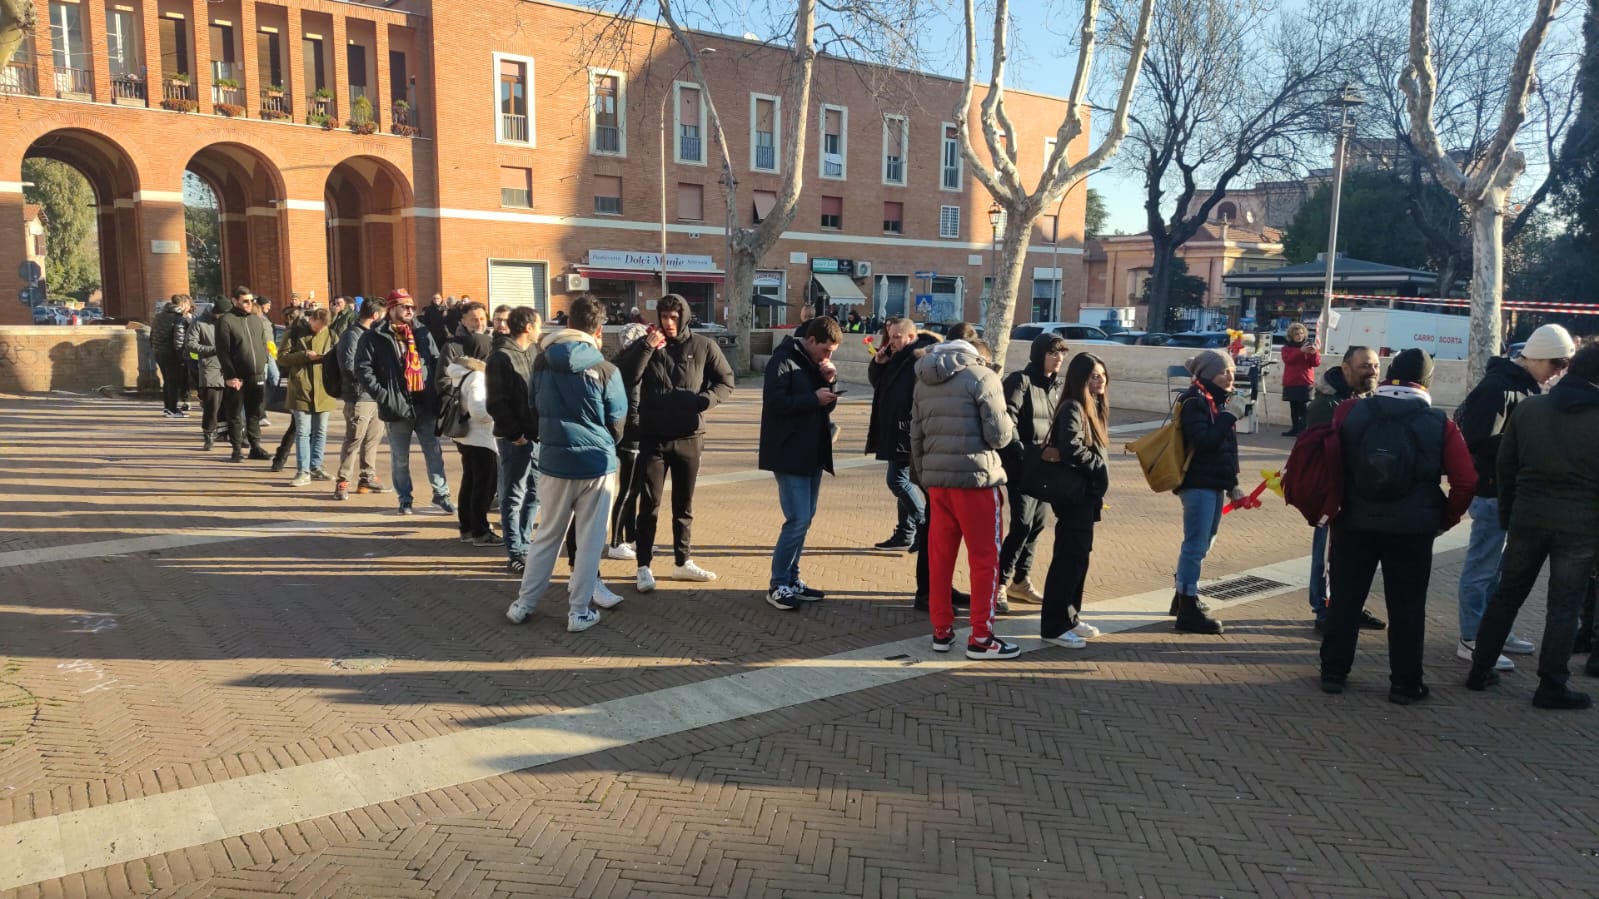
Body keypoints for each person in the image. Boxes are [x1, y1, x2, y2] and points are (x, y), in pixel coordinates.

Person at [1319, 348, 1476, 704]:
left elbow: (1329, 460)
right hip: (1412, 530)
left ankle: (1333, 672)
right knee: (1407, 607)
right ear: (1426, 381)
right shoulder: (1440, 423)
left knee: (1344, 599)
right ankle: (1406, 684)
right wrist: (1444, 520)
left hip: (1354, 523)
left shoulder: (1350, 411)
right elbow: (1466, 481)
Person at [1467, 341, 1599, 709]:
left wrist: (1510, 514)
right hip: (1580, 526)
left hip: (1527, 516)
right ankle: (1551, 684)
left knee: (1506, 595)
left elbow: (1505, 468)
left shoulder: (1530, 410)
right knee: (1563, 607)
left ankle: (1480, 669)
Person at [1454, 324, 1577, 671]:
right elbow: (1475, 436)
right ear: (1540, 358)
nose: (1558, 372)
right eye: (1556, 364)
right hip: (1495, 489)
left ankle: (1490, 631)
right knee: (1482, 568)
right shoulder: (1501, 388)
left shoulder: (1521, 387)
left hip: (1507, 490)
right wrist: (1519, 450)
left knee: (1496, 570)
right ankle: (1472, 636)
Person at [506, 294, 628, 632]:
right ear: (599, 329)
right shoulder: (606, 369)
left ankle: (523, 603)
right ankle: (579, 611)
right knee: (589, 542)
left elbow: (533, 407)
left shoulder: (542, 362)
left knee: (546, 536)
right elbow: (618, 421)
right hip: (596, 463)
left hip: (554, 461)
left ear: (568, 322)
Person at [617, 293, 735, 591]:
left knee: (684, 505)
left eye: (674, 317)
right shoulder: (647, 343)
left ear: (684, 316)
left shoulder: (703, 346)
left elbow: (726, 380)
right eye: (664, 316)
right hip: (653, 438)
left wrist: (703, 401)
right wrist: (647, 347)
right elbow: (625, 377)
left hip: (689, 438)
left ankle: (683, 562)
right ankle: (643, 565)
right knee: (650, 505)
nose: (669, 323)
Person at [911, 337, 1020, 660]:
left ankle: (941, 630)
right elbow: (1000, 435)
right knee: (985, 559)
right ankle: (982, 637)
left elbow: (916, 436)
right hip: (976, 479)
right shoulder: (982, 377)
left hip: (938, 481)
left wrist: (924, 477)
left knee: (940, 558)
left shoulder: (923, 381)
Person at [759, 317, 842, 609]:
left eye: (832, 352)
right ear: (810, 341)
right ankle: (778, 584)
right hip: (789, 452)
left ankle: (792, 578)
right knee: (797, 520)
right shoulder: (782, 361)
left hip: (812, 451)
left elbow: (824, 404)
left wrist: (829, 382)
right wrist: (813, 398)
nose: (827, 356)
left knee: (805, 520)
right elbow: (775, 403)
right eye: (826, 350)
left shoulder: (811, 363)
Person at [1303, 346, 1384, 633]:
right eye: (1365, 366)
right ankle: (1324, 610)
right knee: (1325, 555)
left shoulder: (1371, 400)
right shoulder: (1326, 406)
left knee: (1354, 557)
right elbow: (1320, 453)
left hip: (1360, 494)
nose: (1372, 371)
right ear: (1346, 369)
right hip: (1333, 495)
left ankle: (1349, 605)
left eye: (1375, 365)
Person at [354, 289, 454, 516]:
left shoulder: (422, 332)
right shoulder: (374, 335)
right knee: (400, 457)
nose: (410, 310)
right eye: (404, 306)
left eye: (412, 307)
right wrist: (384, 396)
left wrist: (438, 393)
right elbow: (363, 369)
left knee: (434, 452)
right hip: (396, 405)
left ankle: (442, 494)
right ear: (391, 309)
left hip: (425, 403)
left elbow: (437, 362)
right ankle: (405, 499)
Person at [1170, 350, 1246, 635]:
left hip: (1213, 481)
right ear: (1205, 374)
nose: (1230, 376)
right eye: (1223, 371)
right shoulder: (1195, 401)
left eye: (1231, 371)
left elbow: (1227, 449)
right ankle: (1187, 608)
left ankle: (1182, 595)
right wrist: (1229, 416)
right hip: (1197, 482)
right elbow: (1204, 442)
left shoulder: (1219, 403)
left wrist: (1232, 484)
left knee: (1205, 543)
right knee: (1195, 545)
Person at [1039, 352, 1110, 649]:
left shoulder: (1091, 406)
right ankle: (1054, 626)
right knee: (1068, 560)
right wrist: (1098, 465)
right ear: (1080, 378)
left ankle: (1070, 616)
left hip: (1087, 496)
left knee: (1079, 558)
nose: (1100, 380)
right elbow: (1071, 450)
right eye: (1094, 376)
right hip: (1074, 496)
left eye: (1103, 375)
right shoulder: (1072, 408)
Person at [997, 333, 1069, 609]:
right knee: (1021, 525)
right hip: (1023, 467)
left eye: (1061, 353)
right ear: (1039, 354)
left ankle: (1020, 581)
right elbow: (1007, 419)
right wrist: (1021, 453)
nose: (1059, 358)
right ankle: (999, 584)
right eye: (1053, 353)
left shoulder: (1055, 386)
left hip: (1045, 468)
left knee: (1037, 525)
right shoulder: (1020, 381)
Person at [865, 317, 939, 550]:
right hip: (893, 427)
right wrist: (879, 363)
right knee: (903, 479)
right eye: (889, 336)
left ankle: (923, 522)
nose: (891, 341)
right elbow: (879, 384)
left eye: (897, 337)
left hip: (908, 430)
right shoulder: (896, 356)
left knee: (897, 480)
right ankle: (906, 532)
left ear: (911, 336)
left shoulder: (920, 356)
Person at [487, 306, 543, 573]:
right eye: (539, 325)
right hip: (515, 439)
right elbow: (496, 402)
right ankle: (515, 550)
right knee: (514, 493)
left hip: (536, 435)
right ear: (529, 327)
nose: (542, 331)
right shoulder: (500, 357)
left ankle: (526, 542)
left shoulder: (533, 352)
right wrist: (515, 434)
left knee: (535, 491)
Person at [446, 329, 500, 544]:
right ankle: (479, 530)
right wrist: (497, 412)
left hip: (465, 436)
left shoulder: (460, 372)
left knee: (469, 482)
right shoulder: (477, 375)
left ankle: (467, 527)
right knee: (484, 485)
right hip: (481, 438)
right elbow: (478, 411)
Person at [333, 296, 388, 500]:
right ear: (375, 316)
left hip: (375, 395)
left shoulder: (373, 335)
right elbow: (349, 366)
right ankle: (343, 481)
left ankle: (367, 477)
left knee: (372, 439)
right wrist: (374, 376)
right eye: (382, 316)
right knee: (354, 439)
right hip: (359, 396)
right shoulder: (352, 336)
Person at [606, 323, 650, 561]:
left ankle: (631, 538)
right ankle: (616, 542)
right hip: (631, 435)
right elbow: (633, 405)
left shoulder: (622, 363)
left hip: (632, 433)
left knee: (635, 489)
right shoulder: (630, 367)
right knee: (628, 489)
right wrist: (638, 428)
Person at [278, 307, 337, 486]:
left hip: (324, 389)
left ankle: (316, 466)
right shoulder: (295, 333)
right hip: (300, 388)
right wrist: (304, 356)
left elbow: (339, 358)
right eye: (317, 326)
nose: (319, 330)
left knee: (320, 431)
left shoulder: (332, 335)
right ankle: (303, 471)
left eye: (323, 328)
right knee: (303, 431)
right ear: (311, 319)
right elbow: (281, 358)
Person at [215, 286, 272, 463]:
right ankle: (237, 449)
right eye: (245, 301)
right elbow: (223, 351)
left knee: (255, 412)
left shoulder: (256, 320)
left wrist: (263, 363)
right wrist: (230, 376)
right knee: (235, 414)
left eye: (251, 301)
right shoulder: (226, 321)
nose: (249, 304)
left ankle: (255, 446)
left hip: (257, 374)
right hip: (237, 376)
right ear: (234, 301)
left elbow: (263, 344)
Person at [186, 300, 225, 450]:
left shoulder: (228, 321)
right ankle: (209, 434)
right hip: (210, 368)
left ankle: (230, 434)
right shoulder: (199, 323)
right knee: (211, 405)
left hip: (230, 369)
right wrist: (213, 349)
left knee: (230, 405)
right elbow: (190, 344)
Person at [151, 294, 193, 417]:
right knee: (173, 381)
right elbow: (179, 341)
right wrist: (182, 358)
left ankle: (167, 407)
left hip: (159, 352)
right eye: (188, 304)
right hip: (172, 354)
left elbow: (152, 335)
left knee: (167, 381)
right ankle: (172, 409)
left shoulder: (159, 317)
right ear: (183, 304)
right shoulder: (178, 319)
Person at [1279, 322, 1320, 437]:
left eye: (1301, 333)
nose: (1299, 336)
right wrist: (1300, 351)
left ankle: (1303, 430)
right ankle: (1295, 428)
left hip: (1305, 381)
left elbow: (1316, 363)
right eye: (1296, 334)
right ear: (1291, 335)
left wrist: (1314, 353)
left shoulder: (1308, 346)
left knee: (1303, 407)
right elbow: (1288, 360)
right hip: (1291, 381)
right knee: (1294, 407)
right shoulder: (1286, 348)